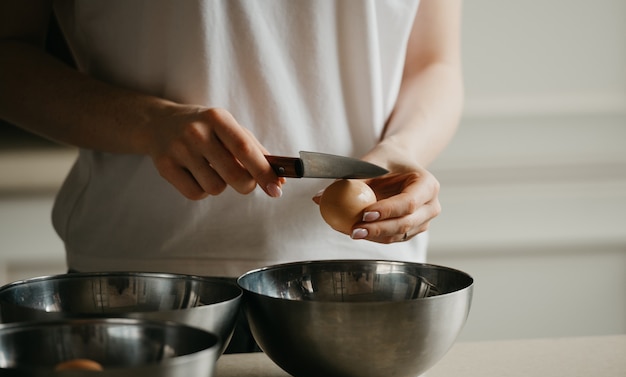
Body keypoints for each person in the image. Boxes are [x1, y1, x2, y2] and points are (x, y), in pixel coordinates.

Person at [0, 0, 463, 353]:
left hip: (368, 284)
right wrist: (148, 122)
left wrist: (403, 149)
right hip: (134, 290)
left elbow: (434, 62)